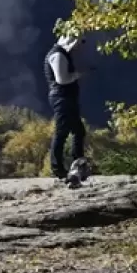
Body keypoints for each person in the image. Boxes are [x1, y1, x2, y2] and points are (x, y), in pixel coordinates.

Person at [44, 34, 87, 181]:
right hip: (62, 97)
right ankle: (58, 168)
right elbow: (62, 79)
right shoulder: (57, 55)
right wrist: (78, 75)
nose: (77, 47)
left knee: (78, 130)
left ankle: (78, 163)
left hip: (66, 97)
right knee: (62, 131)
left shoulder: (61, 54)